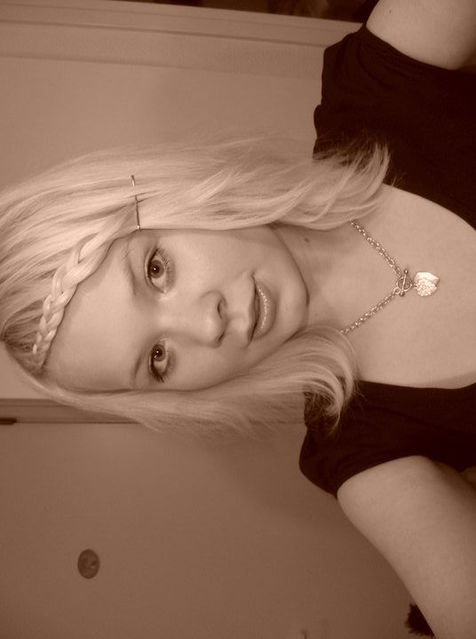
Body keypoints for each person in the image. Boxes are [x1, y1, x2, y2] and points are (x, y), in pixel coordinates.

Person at [0, 0, 475, 635]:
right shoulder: (363, 457)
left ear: (165, 199)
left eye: (156, 270)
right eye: (158, 359)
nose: (207, 325)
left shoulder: (376, 86)